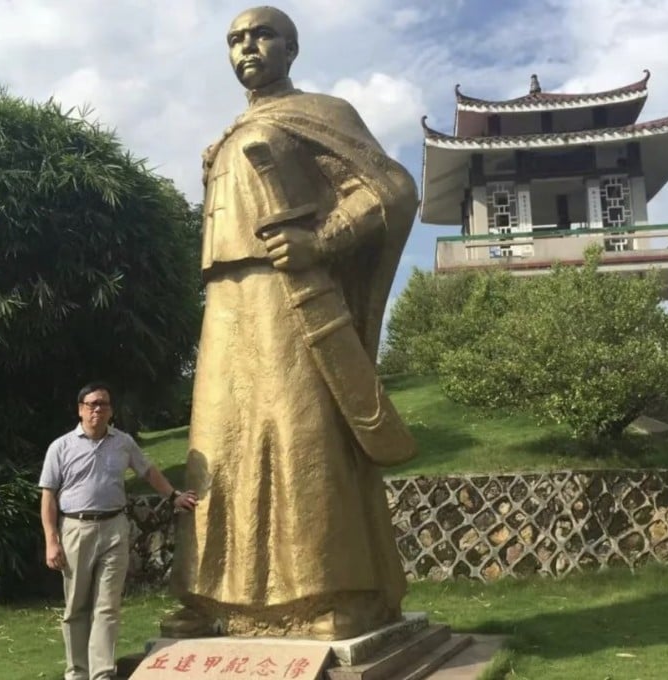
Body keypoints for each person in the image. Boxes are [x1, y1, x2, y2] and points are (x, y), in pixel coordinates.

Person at [165, 6, 418, 641]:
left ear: (291, 48)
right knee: (217, 441)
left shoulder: (319, 115)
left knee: (300, 432)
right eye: (235, 40)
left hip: (287, 294)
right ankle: (212, 596)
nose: (247, 48)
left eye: (262, 36)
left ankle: (333, 590)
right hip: (225, 300)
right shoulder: (228, 134)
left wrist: (323, 240)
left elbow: (390, 190)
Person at [40, 381, 197, 680]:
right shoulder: (60, 447)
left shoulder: (122, 442)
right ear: (80, 410)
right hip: (76, 528)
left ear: (111, 410)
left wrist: (173, 495)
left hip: (114, 528)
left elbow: (147, 471)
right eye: (92, 404)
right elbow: (48, 496)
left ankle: (102, 673)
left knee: (107, 606)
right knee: (76, 608)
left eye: (104, 404)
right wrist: (52, 540)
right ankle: (77, 672)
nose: (98, 409)